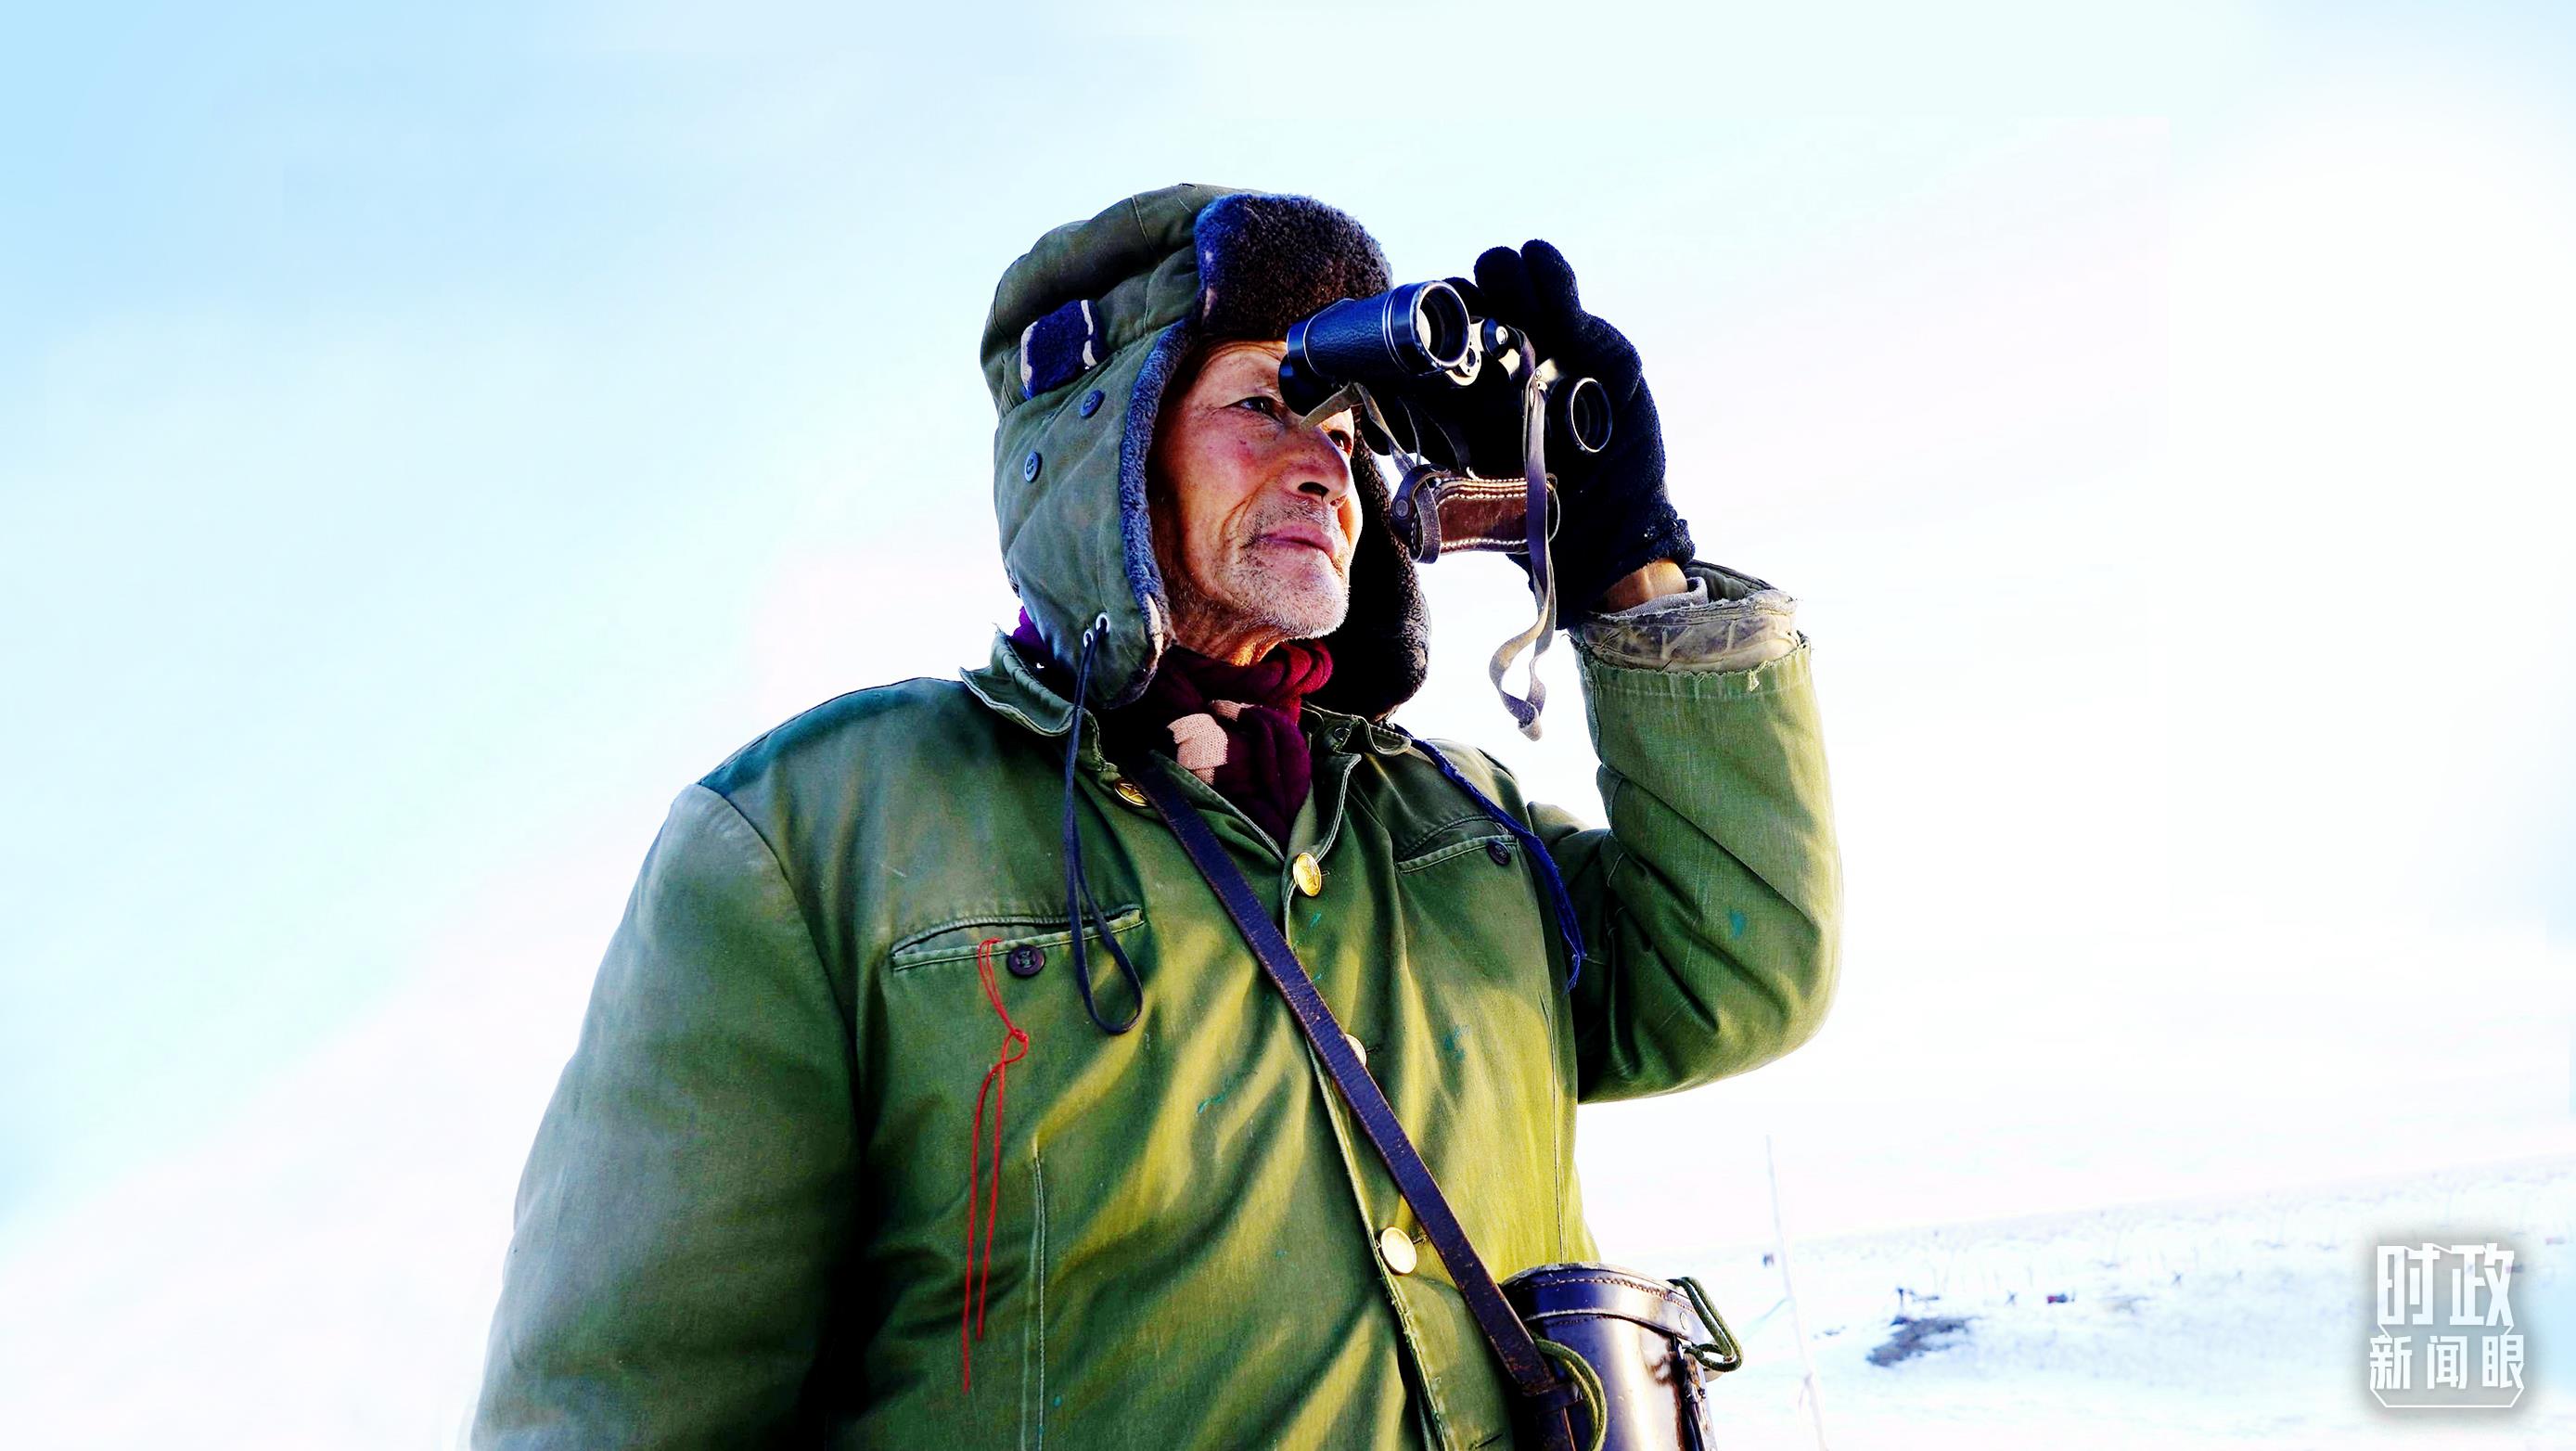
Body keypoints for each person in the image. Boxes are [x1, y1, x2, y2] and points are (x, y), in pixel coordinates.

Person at [472, 184, 1840, 1449]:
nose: (1325, 468)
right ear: (1105, 448)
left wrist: (1625, 560)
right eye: (1266, 406)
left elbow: (1737, 969)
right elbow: (619, 1411)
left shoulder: (1453, 822)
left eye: (1349, 436)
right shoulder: (820, 835)